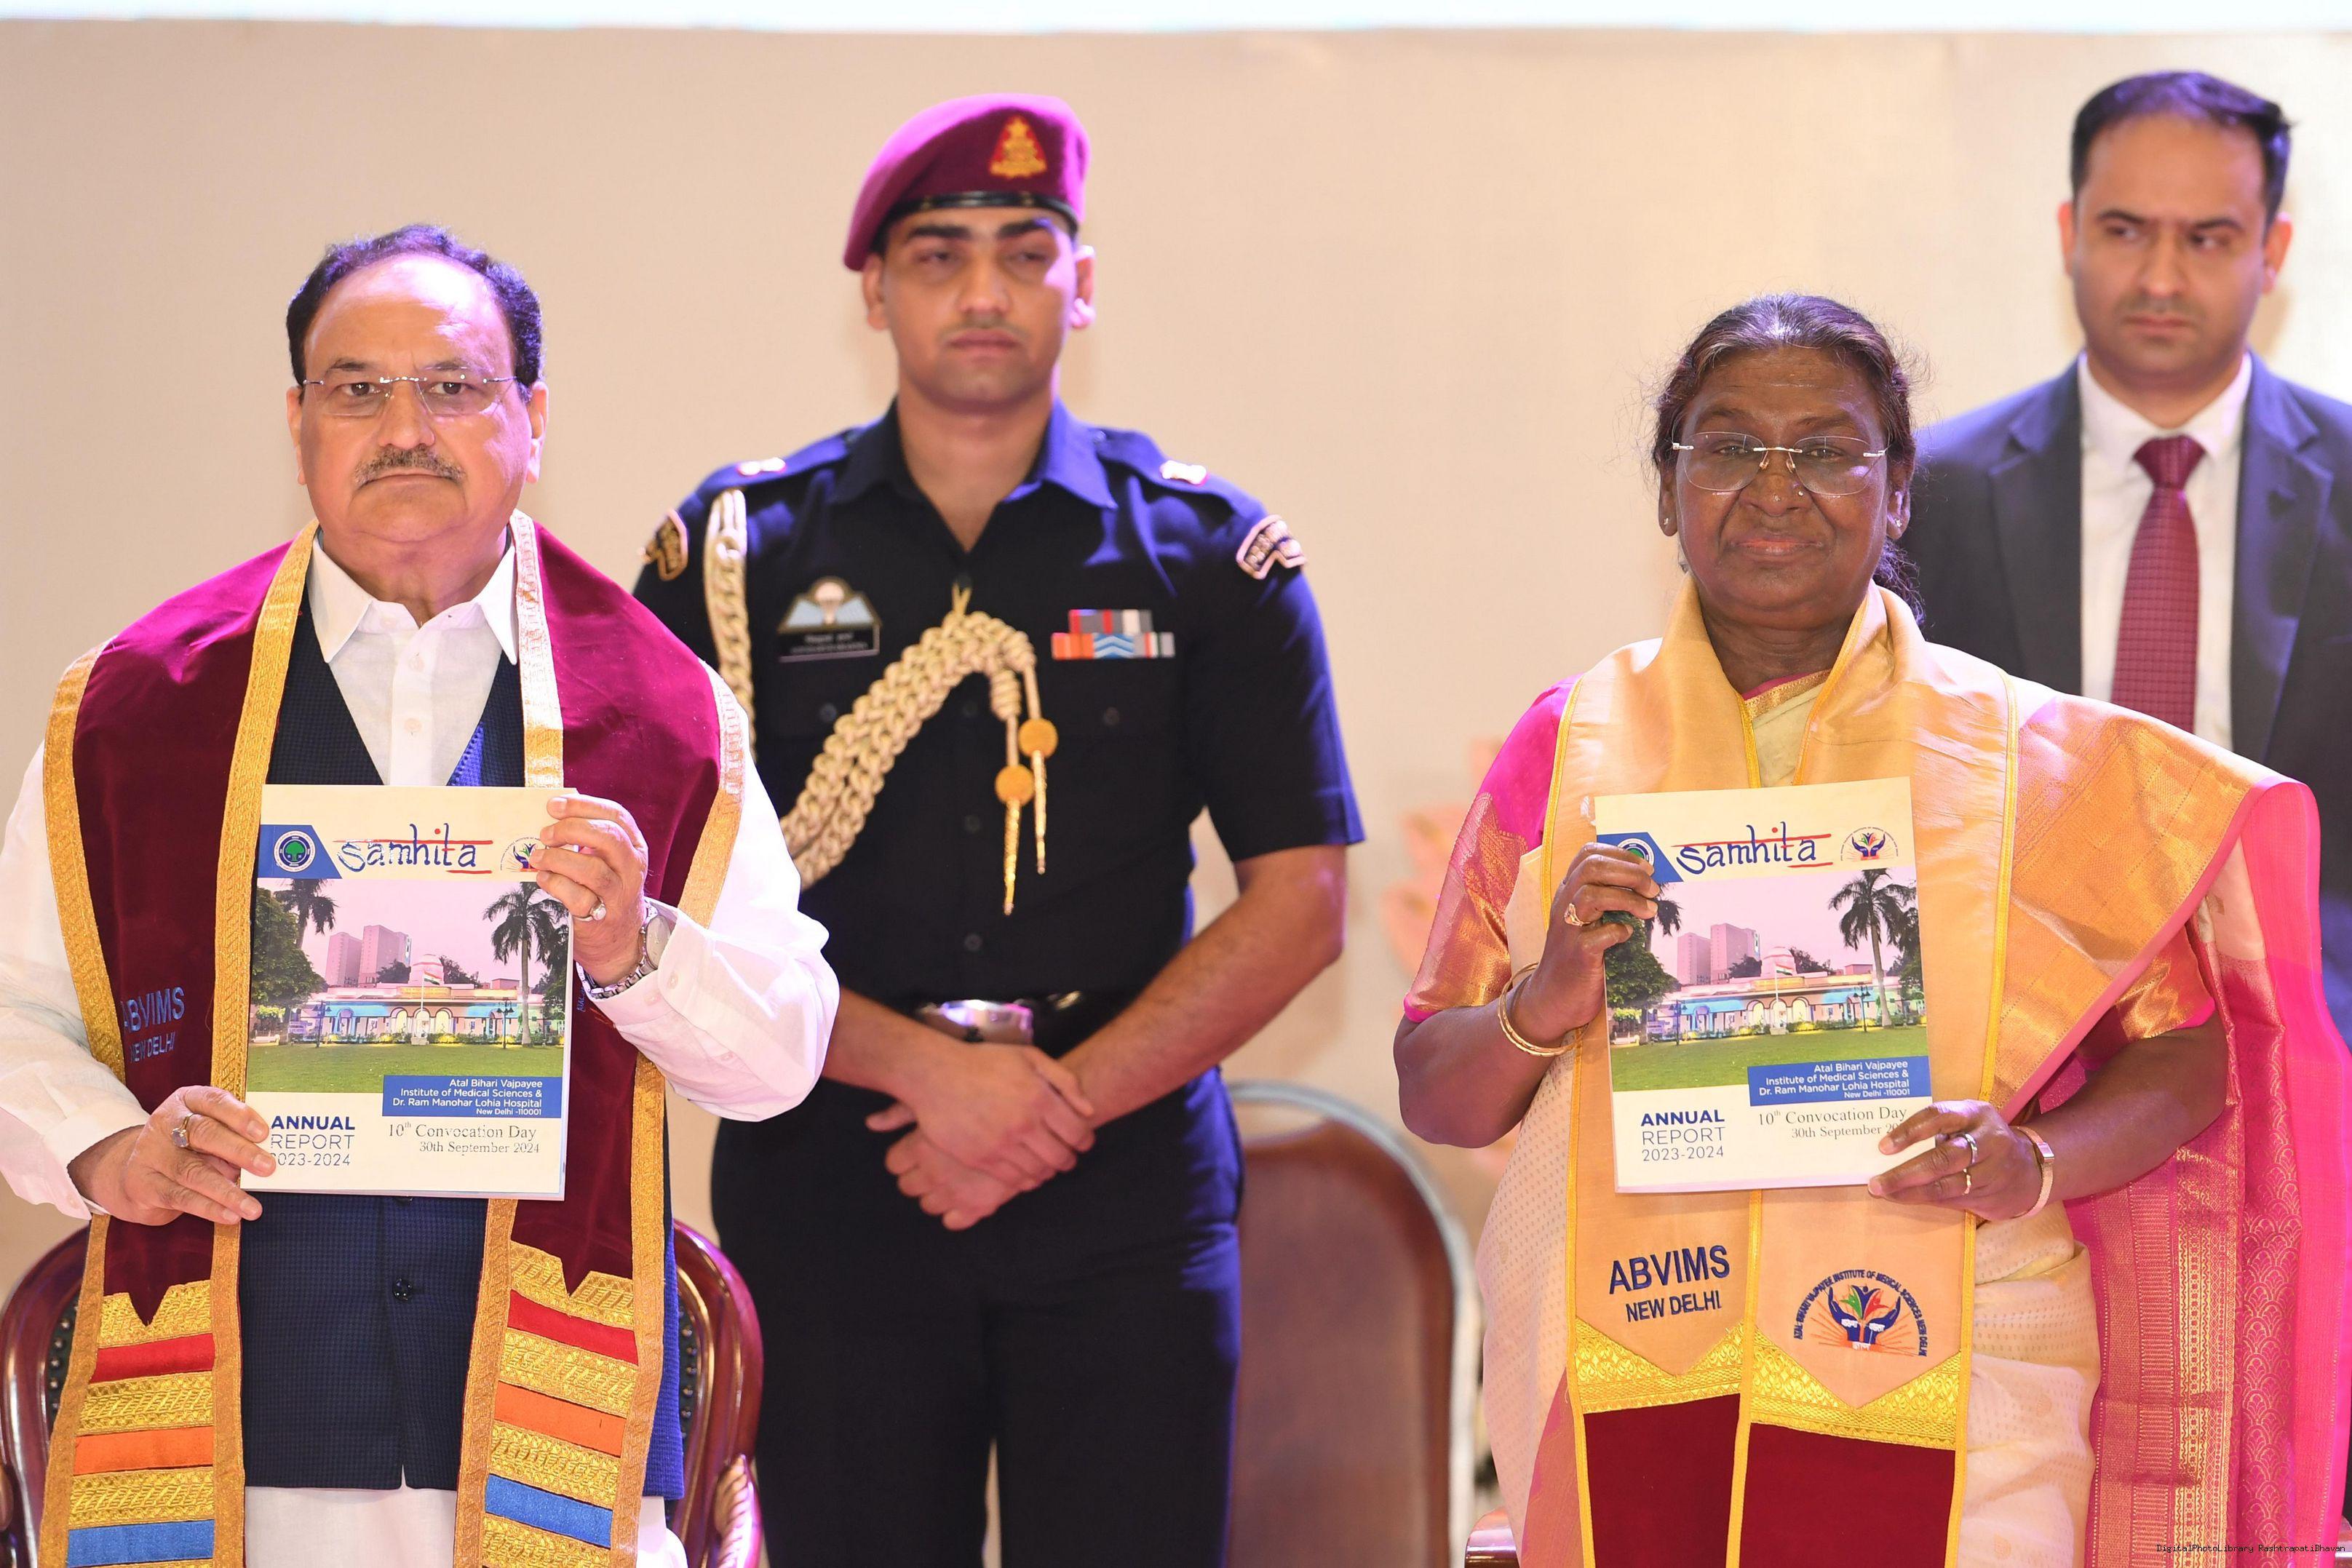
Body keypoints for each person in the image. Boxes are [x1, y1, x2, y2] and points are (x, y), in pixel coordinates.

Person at [1395, 295, 2351, 1567]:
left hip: (1965, 1383)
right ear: (1668, 491)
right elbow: (1437, 1092)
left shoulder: (2028, 761)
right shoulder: (1565, 746)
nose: (1773, 486)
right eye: (1728, 447)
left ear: (1899, 492)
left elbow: (2186, 1055)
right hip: (1634, 1365)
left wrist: (2035, 1161)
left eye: (1826, 450)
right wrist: (1546, 1000)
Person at [0, 225, 839, 1568]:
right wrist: (107, 1149)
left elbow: (784, 1056)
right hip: (236, 1433)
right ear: (296, 424)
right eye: (356, 388)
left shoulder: (667, 713)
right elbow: (12, 1013)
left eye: (453, 386)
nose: (404, 427)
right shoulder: (130, 709)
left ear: (533, 419)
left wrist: (635, 948)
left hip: (555, 1430)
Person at [632, 95, 1359, 1565]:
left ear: (1081, 284)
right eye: (937, 254)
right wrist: (925, 1074)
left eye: (1025, 252)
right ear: (873, 291)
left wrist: (1052, 1104)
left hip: (1125, 1188)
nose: (982, 290)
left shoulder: (1203, 555)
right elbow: (659, 907)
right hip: (833, 1175)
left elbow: (1300, 901)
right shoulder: (736, 556)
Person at [1905, 71, 2352, 1051]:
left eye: (2208, 238)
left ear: (2273, 251)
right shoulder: (1927, 494)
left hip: (2320, 1026)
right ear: (2070, 233)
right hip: (2011, 1040)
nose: (2160, 278)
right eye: (2125, 230)